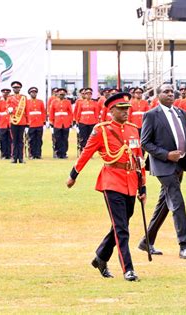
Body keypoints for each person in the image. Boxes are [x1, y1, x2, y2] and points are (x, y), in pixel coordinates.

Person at [66, 92, 146, 282]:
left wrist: (143, 187)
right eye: (121, 109)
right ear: (111, 111)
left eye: (127, 108)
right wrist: (73, 174)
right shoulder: (102, 130)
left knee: (121, 225)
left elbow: (139, 158)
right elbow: (87, 152)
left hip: (131, 182)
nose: (126, 112)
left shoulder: (134, 129)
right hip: (112, 181)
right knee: (122, 228)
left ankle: (101, 257)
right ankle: (128, 268)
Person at [138, 83, 186, 258]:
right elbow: (145, 142)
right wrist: (167, 155)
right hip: (163, 165)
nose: (170, 94)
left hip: (180, 164)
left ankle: (146, 241)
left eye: (171, 92)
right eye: (165, 92)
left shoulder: (180, 113)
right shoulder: (151, 115)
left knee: (164, 205)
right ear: (157, 95)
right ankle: (185, 246)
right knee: (177, 202)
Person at [74, 88, 100, 153]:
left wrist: (97, 122)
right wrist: (77, 121)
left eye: (90, 94)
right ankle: (83, 150)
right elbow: (78, 113)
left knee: (90, 137)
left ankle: (89, 151)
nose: (88, 95)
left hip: (92, 122)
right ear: (85, 95)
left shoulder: (94, 103)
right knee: (83, 137)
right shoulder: (81, 103)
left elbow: (96, 114)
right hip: (83, 122)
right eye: (87, 94)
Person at [49, 88, 73, 159]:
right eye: (60, 94)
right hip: (57, 123)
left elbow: (70, 112)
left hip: (66, 123)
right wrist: (51, 121)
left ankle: (64, 153)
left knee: (65, 139)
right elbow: (51, 112)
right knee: (57, 138)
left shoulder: (68, 102)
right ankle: (57, 153)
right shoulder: (54, 102)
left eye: (63, 94)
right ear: (58, 94)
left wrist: (71, 122)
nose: (61, 95)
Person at [9, 81, 28, 163]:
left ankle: (21, 157)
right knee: (14, 140)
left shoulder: (24, 98)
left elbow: (27, 110)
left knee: (20, 140)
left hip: (22, 121)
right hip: (13, 120)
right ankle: (14, 157)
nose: (16, 89)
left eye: (17, 88)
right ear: (13, 89)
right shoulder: (10, 98)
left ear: (20, 89)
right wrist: (8, 110)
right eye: (14, 88)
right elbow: (7, 107)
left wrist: (27, 123)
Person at [26, 87, 46, 159]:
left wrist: (43, 122)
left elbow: (43, 112)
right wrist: (26, 124)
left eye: (35, 92)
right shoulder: (27, 102)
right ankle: (31, 154)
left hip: (39, 123)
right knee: (31, 140)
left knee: (39, 140)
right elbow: (26, 113)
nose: (33, 94)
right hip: (31, 124)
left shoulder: (40, 102)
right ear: (29, 93)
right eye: (32, 92)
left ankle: (38, 154)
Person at [0, 88, 12, 159]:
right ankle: (4, 154)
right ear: (2, 94)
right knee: (3, 140)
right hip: (2, 124)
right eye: (4, 93)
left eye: (7, 93)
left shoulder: (12, 102)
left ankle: (10, 154)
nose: (5, 94)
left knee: (10, 140)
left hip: (10, 123)